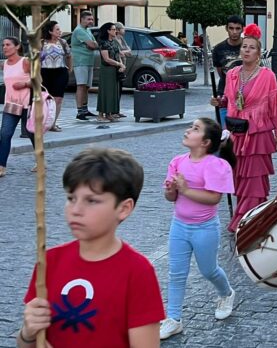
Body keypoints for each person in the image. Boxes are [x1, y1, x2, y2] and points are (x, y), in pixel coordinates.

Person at [19, 148, 164, 347]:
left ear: (123, 209)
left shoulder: (138, 272)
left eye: (91, 201)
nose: (76, 210)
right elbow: (26, 343)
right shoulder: (49, 261)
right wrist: (28, 334)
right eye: (71, 198)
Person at [159, 118, 236, 340]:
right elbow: (170, 197)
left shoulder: (215, 165)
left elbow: (213, 198)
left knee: (208, 270)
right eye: (190, 127)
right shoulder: (177, 161)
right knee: (176, 272)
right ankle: (173, 319)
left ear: (205, 142)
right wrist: (172, 190)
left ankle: (227, 293)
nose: (188, 130)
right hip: (179, 226)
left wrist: (185, 189)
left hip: (205, 228)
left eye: (195, 129)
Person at [210, 24, 277, 232]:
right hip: (236, 133)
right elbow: (229, 100)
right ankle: (247, 216)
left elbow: (274, 107)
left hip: (258, 134)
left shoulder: (267, 76)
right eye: (244, 47)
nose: (246, 50)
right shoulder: (232, 74)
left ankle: (248, 221)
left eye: (251, 48)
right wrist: (220, 102)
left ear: (259, 53)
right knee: (239, 177)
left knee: (254, 180)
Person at [0, 37, 34, 177]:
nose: (4, 47)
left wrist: (25, 84)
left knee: (31, 133)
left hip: (27, 104)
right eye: (3, 45)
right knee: (5, 134)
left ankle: (40, 160)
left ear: (17, 46)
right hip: (11, 104)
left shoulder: (25, 62)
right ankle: (2, 166)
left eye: (8, 45)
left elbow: (39, 80)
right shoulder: (4, 64)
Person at [212, 15, 244, 127]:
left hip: (245, 93)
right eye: (231, 28)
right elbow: (221, 73)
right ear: (227, 28)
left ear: (242, 29)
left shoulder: (247, 46)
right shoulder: (218, 49)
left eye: (237, 28)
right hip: (225, 92)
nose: (234, 32)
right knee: (225, 132)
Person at [40, 20, 71, 132]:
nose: (60, 31)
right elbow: (35, 60)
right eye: (57, 29)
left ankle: (53, 123)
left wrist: (69, 69)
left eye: (59, 29)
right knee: (45, 99)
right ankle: (44, 122)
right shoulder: (42, 43)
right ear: (50, 31)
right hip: (45, 72)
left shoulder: (62, 42)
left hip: (60, 72)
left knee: (58, 99)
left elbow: (69, 56)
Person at [71, 11, 98, 121]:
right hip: (81, 61)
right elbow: (92, 44)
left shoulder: (88, 30)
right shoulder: (79, 31)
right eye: (88, 19)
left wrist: (92, 45)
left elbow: (95, 44)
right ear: (81, 19)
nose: (91, 21)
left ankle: (85, 108)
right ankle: (80, 111)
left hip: (88, 61)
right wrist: (91, 45)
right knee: (81, 85)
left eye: (92, 19)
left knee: (86, 87)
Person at [97, 22, 127, 123]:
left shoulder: (114, 42)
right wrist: (119, 64)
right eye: (113, 29)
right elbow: (106, 59)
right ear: (108, 31)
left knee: (113, 92)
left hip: (115, 70)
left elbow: (118, 54)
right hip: (107, 70)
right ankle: (101, 114)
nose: (116, 31)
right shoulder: (103, 43)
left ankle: (109, 113)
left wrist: (121, 64)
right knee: (105, 92)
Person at [113, 22, 132, 118]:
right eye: (123, 28)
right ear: (118, 30)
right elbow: (118, 53)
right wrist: (124, 52)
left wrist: (124, 52)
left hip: (123, 65)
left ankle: (117, 110)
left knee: (120, 89)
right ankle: (113, 111)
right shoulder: (114, 40)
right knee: (115, 89)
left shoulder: (122, 39)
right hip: (117, 66)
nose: (124, 30)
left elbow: (129, 52)